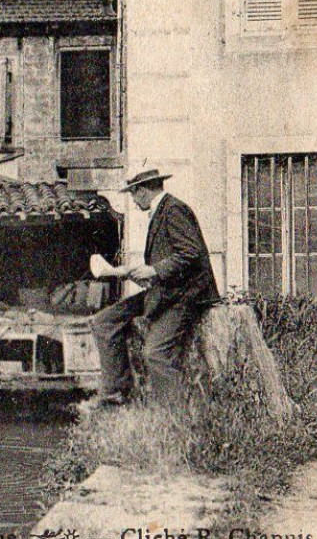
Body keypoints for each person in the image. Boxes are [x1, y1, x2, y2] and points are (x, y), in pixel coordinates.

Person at [88, 169, 220, 406]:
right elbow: (172, 259)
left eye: (133, 194)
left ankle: (174, 416)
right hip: (165, 289)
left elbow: (191, 254)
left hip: (185, 295)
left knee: (156, 354)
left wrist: (154, 270)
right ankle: (115, 393)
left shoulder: (174, 210)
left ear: (142, 190)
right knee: (103, 321)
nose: (133, 200)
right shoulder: (161, 211)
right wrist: (143, 274)